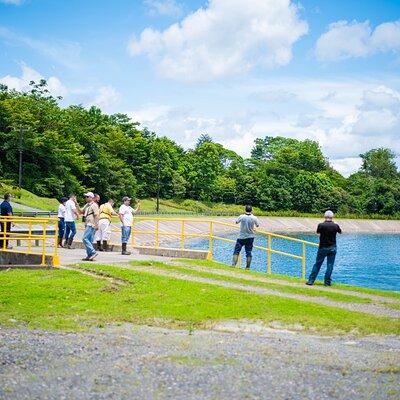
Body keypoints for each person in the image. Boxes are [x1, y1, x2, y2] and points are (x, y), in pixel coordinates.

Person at [306, 210, 342, 287]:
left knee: (318, 264)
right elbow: (340, 232)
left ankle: (311, 281)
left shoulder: (321, 225)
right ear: (332, 217)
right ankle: (327, 282)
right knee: (330, 265)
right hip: (332, 247)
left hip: (322, 247)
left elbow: (318, 232)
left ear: (325, 216)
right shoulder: (335, 226)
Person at [232, 205, 259, 270]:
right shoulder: (254, 218)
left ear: (245, 210)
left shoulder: (241, 216)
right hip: (250, 237)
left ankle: (233, 265)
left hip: (241, 237)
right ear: (251, 210)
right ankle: (247, 267)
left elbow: (236, 222)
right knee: (249, 252)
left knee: (236, 251)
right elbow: (257, 225)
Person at [81, 192, 100, 261]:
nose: (86, 198)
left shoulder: (94, 205)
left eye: (87, 197)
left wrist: (96, 224)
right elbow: (81, 211)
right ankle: (89, 255)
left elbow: (96, 215)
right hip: (87, 223)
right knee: (89, 240)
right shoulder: (87, 205)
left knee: (84, 238)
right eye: (85, 197)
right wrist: (76, 203)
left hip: (91, 224)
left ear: (91, 198)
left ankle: (93, 252)